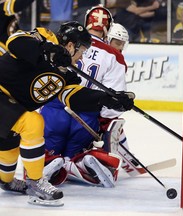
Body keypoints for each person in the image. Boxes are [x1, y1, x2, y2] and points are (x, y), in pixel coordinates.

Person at [0, 21, 134, 206]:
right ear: (71, 46)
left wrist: (107, 98)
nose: (80, 59)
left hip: (12, 111)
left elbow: (73, 97)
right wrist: (51, 51)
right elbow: (15, 41)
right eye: (82, 52)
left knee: (9, 148)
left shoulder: (66, 74)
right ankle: (36, 182)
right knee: (33, 122)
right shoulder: (46, 37)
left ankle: (6, 181)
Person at [41, 5, 133, 187]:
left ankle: (49, 163)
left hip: (54, 110)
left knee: (45, 153)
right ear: (107, 29)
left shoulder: (62, 44)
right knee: (76, 153)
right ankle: (80, 162)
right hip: (86, 116)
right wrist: (102, 124)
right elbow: (111, 106)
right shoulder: (114, 56)